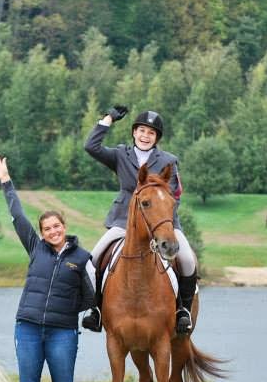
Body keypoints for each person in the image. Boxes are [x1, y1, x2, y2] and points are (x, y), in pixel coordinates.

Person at [0, 153, 97, 382]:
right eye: (46, 228)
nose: (52, 231)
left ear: (65, 226)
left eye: (56, 226)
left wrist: (69, 311)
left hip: (63, 332)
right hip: (29, 327)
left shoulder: (83, 258)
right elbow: (18, 216)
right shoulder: (35, 247)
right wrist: (6, 181)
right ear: (42, 232)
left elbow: (92, 298)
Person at [84, 106, 198, 334]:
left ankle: (182, 311)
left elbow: (173, 195)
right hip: (123, 222)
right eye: (142, 131)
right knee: (92, 261)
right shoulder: (119, 155)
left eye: (151, 133)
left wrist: (162, 226)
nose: (145, 136)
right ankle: (95, 310)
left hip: (160, 223)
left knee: (186, 260)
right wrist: (107, 119)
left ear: (157, 138)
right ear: (134, 132)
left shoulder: (169, 161)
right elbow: (91, 147)